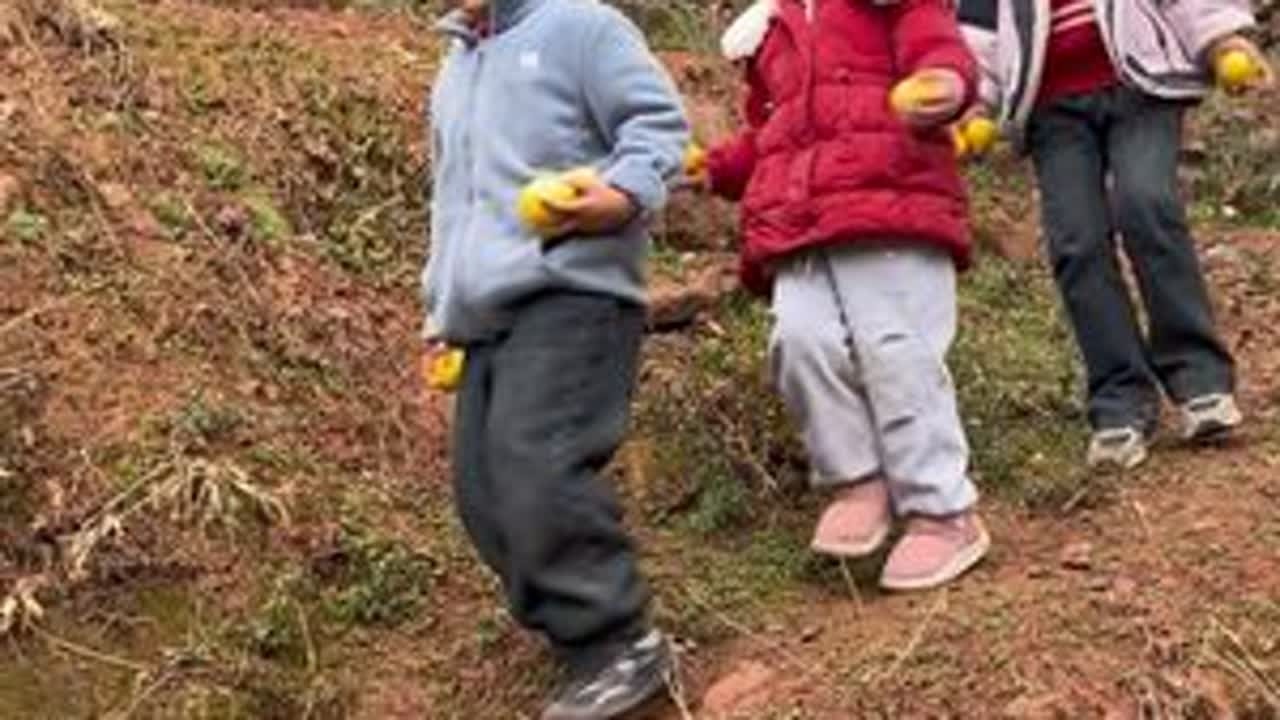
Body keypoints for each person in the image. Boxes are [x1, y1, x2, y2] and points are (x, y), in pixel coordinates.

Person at [422, 0, 689, 716]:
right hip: (484, 318)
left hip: (574, 289)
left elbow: (658, 124)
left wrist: (623, 192)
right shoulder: (455, 66)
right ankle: (581, 643)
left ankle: (619, 642)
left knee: (534, 460)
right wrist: (443, 310)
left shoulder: (580, 27)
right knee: (481, 495)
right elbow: (453, 205)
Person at [696, 0, 990, 592]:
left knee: (895, 350)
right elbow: (774, 128)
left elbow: (938, 46)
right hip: (802, 220)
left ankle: (942, 510)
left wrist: (943, 83)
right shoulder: (772, 28)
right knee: (798, 342)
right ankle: (858, 479)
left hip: (891, 198)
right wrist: (716, 166)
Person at [958, 0, 1274, 470]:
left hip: (1140, 85)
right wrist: (976, 104)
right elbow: (980, 36)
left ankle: (1199, 378)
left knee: (1147, 205)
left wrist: (1220, 40)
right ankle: (1119, 400)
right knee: (1075, 241)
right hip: (1053, 111)